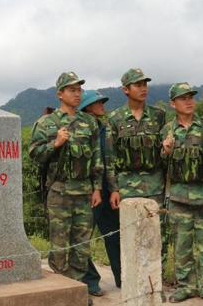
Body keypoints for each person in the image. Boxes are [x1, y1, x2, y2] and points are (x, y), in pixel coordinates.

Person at [29, 72, 102, 303]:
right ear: (60, 93)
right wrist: (56, 143)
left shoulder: (89, 122)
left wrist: (97, 188)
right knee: (59, 247)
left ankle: (78, 292)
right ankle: (61, 293)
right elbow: (34, 154)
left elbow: (97, 158)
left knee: (82, 248)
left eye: (79, 89)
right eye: (72, 90)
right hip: (59, 192)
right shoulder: (46, 123)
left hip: (84, 192)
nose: (77, 93)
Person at [161, 83, 203, 305]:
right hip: (178, 197)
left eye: (191, 97)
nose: (188, 101)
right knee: (182, 245)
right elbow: (161, 165)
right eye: (183, 98)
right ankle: (185, 286)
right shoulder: (167, 130)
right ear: (173, 103)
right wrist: (166, 151)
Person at [107, 68, 167, 272]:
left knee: (157, 236)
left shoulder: (159, 116)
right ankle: (133, 281)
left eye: (145, 84)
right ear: (126, 89)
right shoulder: (115, 119)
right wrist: (114, 189)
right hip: (127, 185)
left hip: (155, 184)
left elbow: (165, 152)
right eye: (138, 85)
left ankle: (155, 281)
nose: (143, 88)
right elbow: (110, 158)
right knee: (130, 235)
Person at [78, 89, 121, 291]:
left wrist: (113, 189)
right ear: (88, 107)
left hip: (106, 188)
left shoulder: (106, 128)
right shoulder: (80, 129)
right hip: (87, 191)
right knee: (82, 238)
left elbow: (110, 161)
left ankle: (123, 278)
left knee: (115, 235)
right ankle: (91, 280)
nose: (102, 105)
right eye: (98, 102)